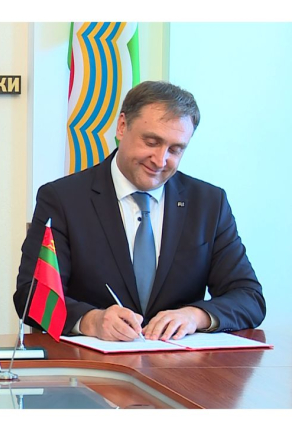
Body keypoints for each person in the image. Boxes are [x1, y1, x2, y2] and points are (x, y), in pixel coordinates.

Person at [14, 81, 265, 342]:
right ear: (122, 126)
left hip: (179, 362)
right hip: (91, 361)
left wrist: (195, 316)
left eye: (175, 149)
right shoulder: (63, 199)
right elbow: (31, 296)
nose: (160, 160)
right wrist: (91, 320)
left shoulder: (209, 203)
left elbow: (249, 298)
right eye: (151, 142)